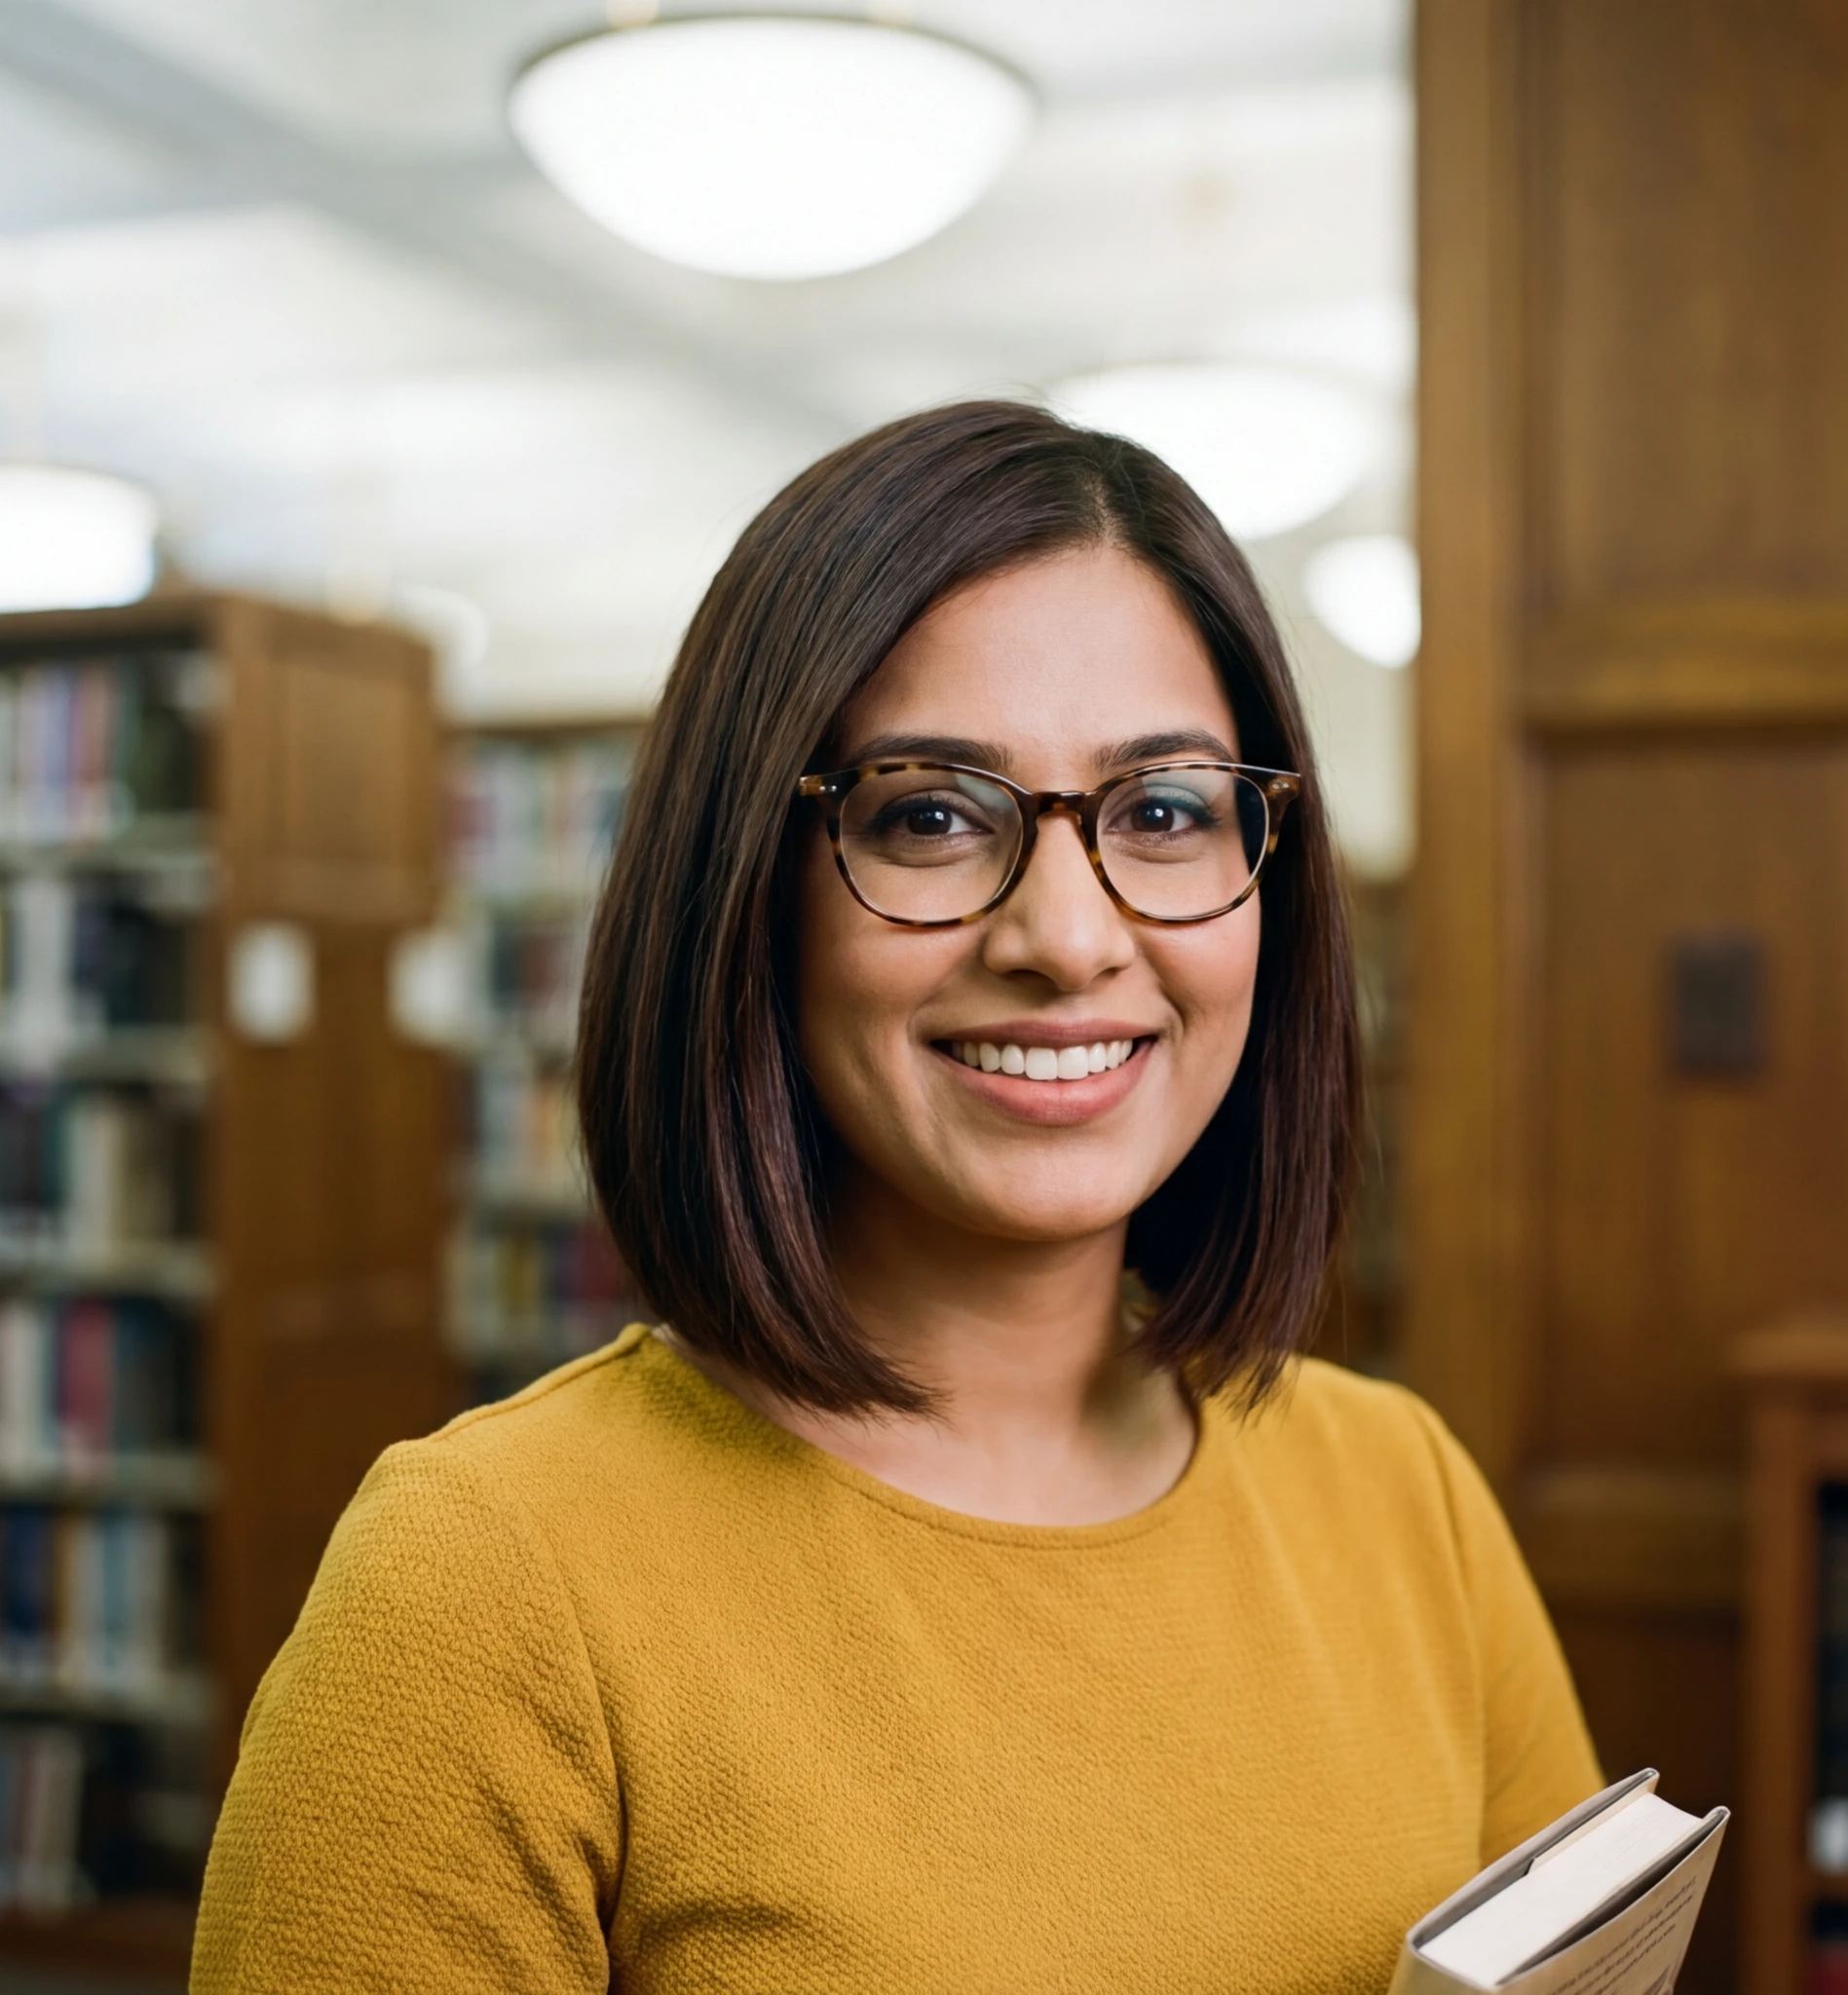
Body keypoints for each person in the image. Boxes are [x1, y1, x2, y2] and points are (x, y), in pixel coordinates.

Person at [190, 401, 1598, 1993]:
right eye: (931, 815)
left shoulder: (1405, 1497)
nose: (1068, 938)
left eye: (1164, 811)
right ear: (751, 888)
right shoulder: (483, 1583)